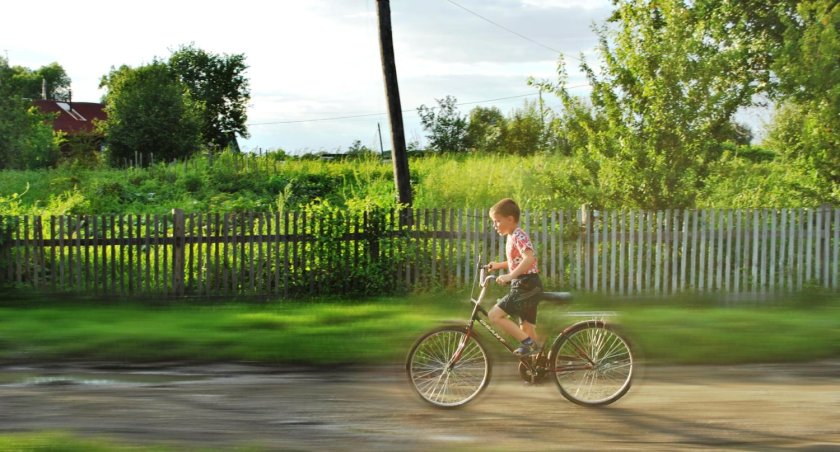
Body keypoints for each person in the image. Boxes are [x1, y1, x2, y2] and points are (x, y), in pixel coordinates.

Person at [485, 198, 543, 357]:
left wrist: (510, 276)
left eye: (497, 221)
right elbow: (516, 262)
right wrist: (498, 266)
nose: (494, 225)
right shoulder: (511, 236)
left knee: (494, 315)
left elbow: (529, 259)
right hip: (526, 284)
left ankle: (531, 344)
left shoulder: (519, 235)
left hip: (526, 285)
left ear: (510, 219)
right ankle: (541, 366)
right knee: (526, 328)